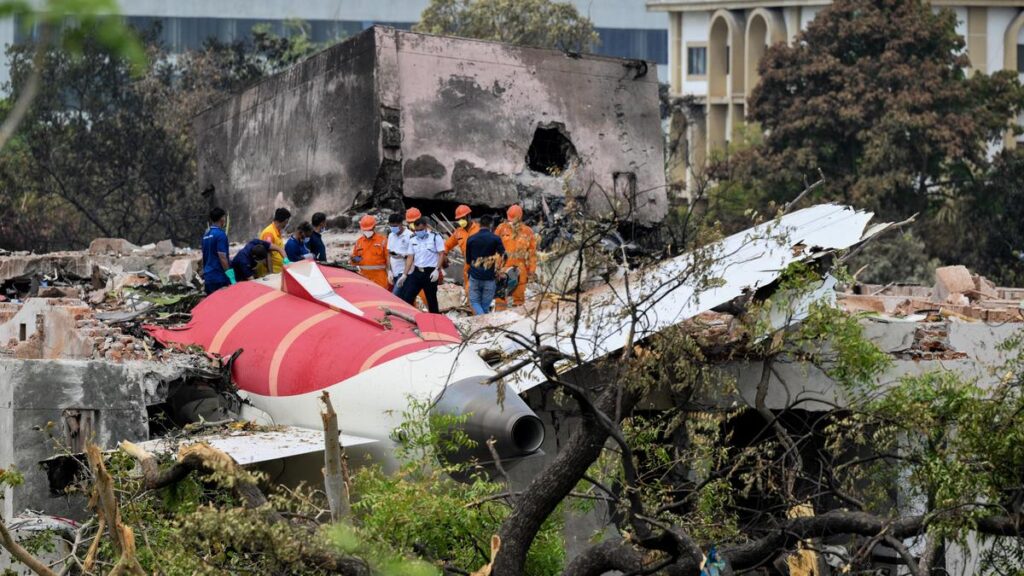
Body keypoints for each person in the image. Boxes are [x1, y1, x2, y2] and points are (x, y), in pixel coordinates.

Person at [396, 218, 446, 313]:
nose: (418, 232)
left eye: (420, 230)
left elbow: (441, 254)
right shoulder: (413, 239)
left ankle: (435, 322)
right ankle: (408, 318)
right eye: (416, 230)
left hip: (430, 273)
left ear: (426, 227)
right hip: (417, 272)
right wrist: (404, 274)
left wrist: (437, 270)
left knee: (431, 300)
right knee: (407, 296)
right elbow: (410, 257)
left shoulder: (435, 237)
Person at [494, 204, 537, 308]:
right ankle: (499, 319)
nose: (511, 222)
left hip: (520, 269)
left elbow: (532, 253)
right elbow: (493, 246)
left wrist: (532, 270)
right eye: (509, 219)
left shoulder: (528, 231)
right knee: (500, 298)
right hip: (503, 268)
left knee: (518, 300)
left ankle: (517, 321)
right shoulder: (501, 228)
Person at [464, 214, 505, 315]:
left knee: (474, 302)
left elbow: (468, 260)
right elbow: (504, 255)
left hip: (475, 276)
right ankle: (484, 323)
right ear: (491, 225)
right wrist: (499, 270)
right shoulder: (495, 239)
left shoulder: (471, 239)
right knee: (485, 306)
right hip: (489, 277)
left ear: (479, 224)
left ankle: (482, 323)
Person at [444, 204, 481, 302]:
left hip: (481, 264)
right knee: (469, 290)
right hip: (468, 265)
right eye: (459, 219)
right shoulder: (458, 232)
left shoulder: (479, 230)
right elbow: (447, 245)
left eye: (463, 218)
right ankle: (475, 313)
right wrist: (444, 255)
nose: (461, 221)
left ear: (469, 216)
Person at [351, 215, 389, 289]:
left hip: (380, 279)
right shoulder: (359, 242)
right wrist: (354, 259)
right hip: (364, 279)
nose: (367, 232)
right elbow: (354, 261)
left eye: (369, 230)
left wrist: (390, 272)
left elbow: (388, 260)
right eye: (365, 230)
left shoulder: (383, 241)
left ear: (374, 227)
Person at [201, 207, 231, 295]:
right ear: (222, 219)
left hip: (208, 278)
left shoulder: (205, 235)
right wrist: (229, 275)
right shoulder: (221, 235)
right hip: (219, 278)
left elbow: (204, 255)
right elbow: (222, 257)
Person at [259, 207, 291, 274]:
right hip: (270, 274)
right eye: (287, 222)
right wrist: (271, 274)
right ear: (285, 221)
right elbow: (267, 255)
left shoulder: (277, 232)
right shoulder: (269, 233)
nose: (286, 224)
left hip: (278, 271)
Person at [386, 212, 410, 292]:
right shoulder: (391, 235)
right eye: (391, 226)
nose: (393, 228)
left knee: (395, 296)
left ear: (401, 224)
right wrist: (389, 271)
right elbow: (388, 254)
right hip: (394, 272)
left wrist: (404, 274)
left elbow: (413, 256)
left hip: (404, 272)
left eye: (395, 226)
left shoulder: (409, 236)